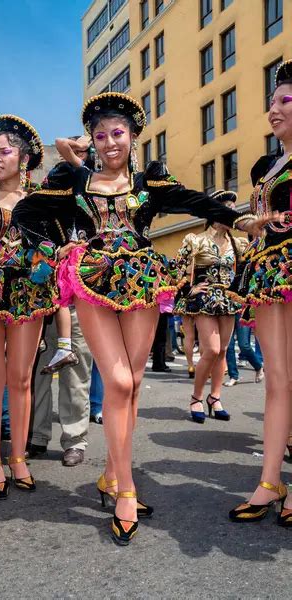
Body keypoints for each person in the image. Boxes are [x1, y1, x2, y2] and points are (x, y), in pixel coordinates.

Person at [15, 92, 276, 545]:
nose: (109, 142)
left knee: (132, 384)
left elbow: (196, 201)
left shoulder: (149, 182)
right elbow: (24, 213)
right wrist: (57, 249)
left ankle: (113, 475)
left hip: (141, 280)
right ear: (92, 141)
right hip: (93, 280)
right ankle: (126, 490)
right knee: (116, 383)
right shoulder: (73, 180)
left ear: (134, 137)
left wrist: (240, 221)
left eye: (118, 133)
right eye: (100, 135)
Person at [0, 114, 57, 499]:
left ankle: (18, 457)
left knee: (21, 379)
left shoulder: (39, 202)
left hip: (27, 294)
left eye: (4, 151)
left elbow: (52, 245)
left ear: (23, 158)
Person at [228, 59, 292, 527]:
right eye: (272, 102)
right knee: (277, 379)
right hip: (271, 273)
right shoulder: (271, 166)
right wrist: (256, 222)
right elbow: (264, 221)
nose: (274, 110)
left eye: (285, 101)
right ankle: (271, 479)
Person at [175, 190, 248, 423]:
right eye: (225, 209)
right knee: (212, 350)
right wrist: (189, 289)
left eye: (232, 210)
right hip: (204, 301)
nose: (230, 214)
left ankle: (215, 397)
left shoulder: (239, 244)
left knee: (224, 351)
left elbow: (245, 271)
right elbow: (176, 268)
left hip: (228, 301)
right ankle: (196, 397)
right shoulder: (195, 240)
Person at [28, 307, 92, 465]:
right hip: (41, 306)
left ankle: (74, 441)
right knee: (36, 378)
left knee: (75, 380)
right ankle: (36, 437)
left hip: (77, 305)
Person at [224, 314, 264, 386]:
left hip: (243, 310)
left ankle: (258, 366)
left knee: (244, 345)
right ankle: (233, 376)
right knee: (229, 346)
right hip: (228, 311)